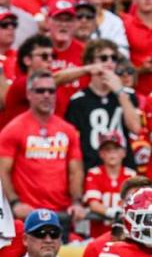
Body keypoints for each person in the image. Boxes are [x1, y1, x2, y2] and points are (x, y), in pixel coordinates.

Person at [0, 70, 85, 222]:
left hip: (61, 214)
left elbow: (75, 171)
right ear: (29, 94)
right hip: (26, 215)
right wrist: (14, 203)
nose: (47, 95)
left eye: (51, 91)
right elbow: (2, 171)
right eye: (40, 91)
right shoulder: (13, 129)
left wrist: (77, 202)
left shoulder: (68, 130)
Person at [66, 39, 141, 171]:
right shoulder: (78, 100)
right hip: (91, 168)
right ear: (90, 63)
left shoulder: (127, 94)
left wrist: (119, 92)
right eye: (103, 58)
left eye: (113, 58)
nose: (109, 63)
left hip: (123, 168)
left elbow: (135, 128)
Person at [84, 131, 137, 238]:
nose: (112, 153)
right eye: (108, 149)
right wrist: (113, 212)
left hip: (124, 236)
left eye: (116, 149)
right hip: (98, 235)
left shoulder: (131, 176)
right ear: (101, 154)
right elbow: (93, 204)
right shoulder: (94, 173)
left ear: (124, 152)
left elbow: (134, 205)